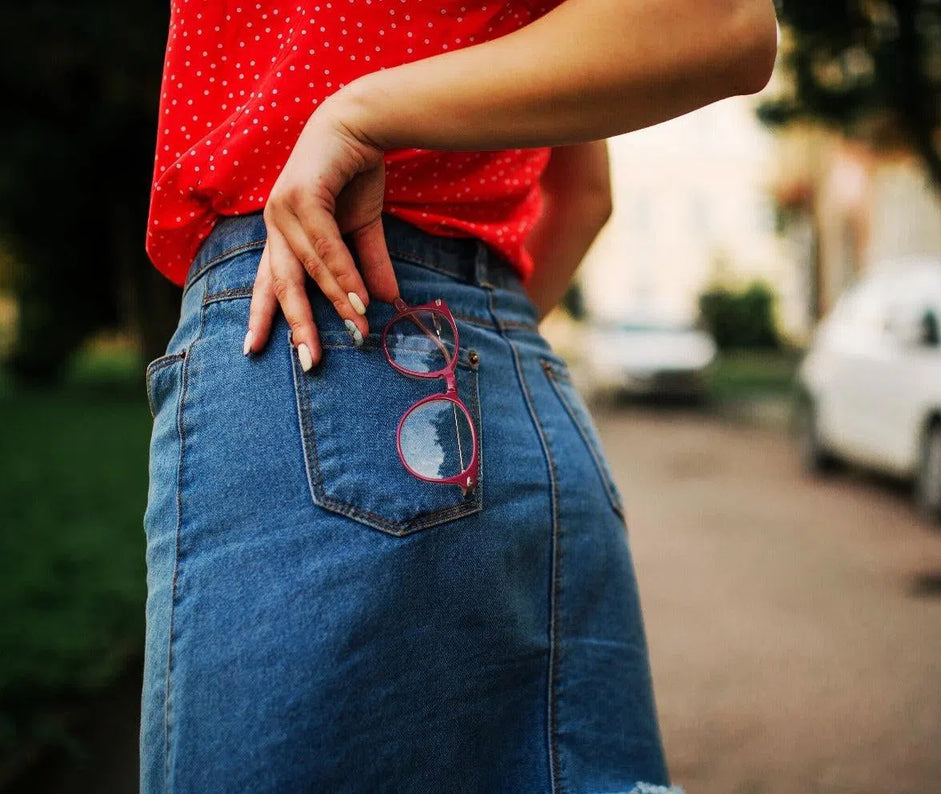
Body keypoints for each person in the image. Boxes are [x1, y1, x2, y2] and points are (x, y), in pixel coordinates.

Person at [141, 1, 777, 792]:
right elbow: (589, 191)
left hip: (309, 328)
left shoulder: (353, 126)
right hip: (517, 381)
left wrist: (357, 114)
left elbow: (725, 24)